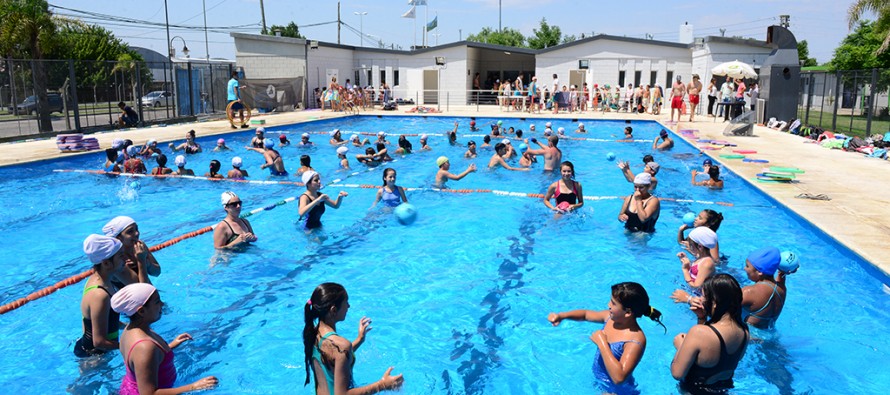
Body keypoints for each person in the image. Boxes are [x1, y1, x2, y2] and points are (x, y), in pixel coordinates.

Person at [547, 282, 665, 394]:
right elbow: (586, 314)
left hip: (617, 392)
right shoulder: (610, 318)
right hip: (600, 382)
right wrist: (562, 316)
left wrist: (602, 344)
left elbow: (619, 378)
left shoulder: (635, 340)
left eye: (613, 303)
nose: (608, 305)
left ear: (628, 312)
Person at [112, 283, 219, 394]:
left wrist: (169, 346)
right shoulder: (145, 347)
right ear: (141, 311)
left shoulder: (130, 329)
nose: (162, 304)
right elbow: (149, 393)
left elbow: (142, 360)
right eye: (157, 302)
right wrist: (193, 387)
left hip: (130, 387)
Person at [302, 282, 404, 394]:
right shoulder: (341, 346)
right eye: (346, 302)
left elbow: (333, 358)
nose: (348, 306)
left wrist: (359, 340)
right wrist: (382, 384)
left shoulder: (313, 333)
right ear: (334, 310)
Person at [671, 274, 748, 394]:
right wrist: (702, 318)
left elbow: (677, 373)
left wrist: (680, 346)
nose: (700, 299)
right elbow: (719, 361)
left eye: (703, 296)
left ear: (715, 302)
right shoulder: (744, 331)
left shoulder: (698, 332)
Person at [74, 234, 125, 358]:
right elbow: (99, 342)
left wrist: (128, 327)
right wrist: (128, 345)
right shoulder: (100, 295)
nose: (125, 258)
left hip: (98, 351)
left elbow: (106, 317)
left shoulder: (101, 280)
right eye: (121, 256)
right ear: (106, 263)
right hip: (93, 357)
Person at [102, 216, 162, 287]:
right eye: (130, 231)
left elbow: (157, 272)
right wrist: (141, 261)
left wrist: (146, 262)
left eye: (136, 229)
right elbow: (142, 289)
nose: (136, 233)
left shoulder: (140, 246)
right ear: (118, 238)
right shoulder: (116, 259)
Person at [741, 247, 787, 329]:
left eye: (747, 266)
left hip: (750, 334)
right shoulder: (782, 290)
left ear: (759, 272)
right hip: (771, 334)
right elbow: (781, 276)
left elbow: (722, 308)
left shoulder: (748, 292)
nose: (745, 268)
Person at [670, 227, 718, 304]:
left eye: (691, 245)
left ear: (700, 246)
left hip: (700, 298)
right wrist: (686, 263)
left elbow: (696, 286)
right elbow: (695, 274)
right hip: (693, 292)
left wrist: (685, 270)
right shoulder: (700, 258)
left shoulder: (707, 263)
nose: (689, 247)